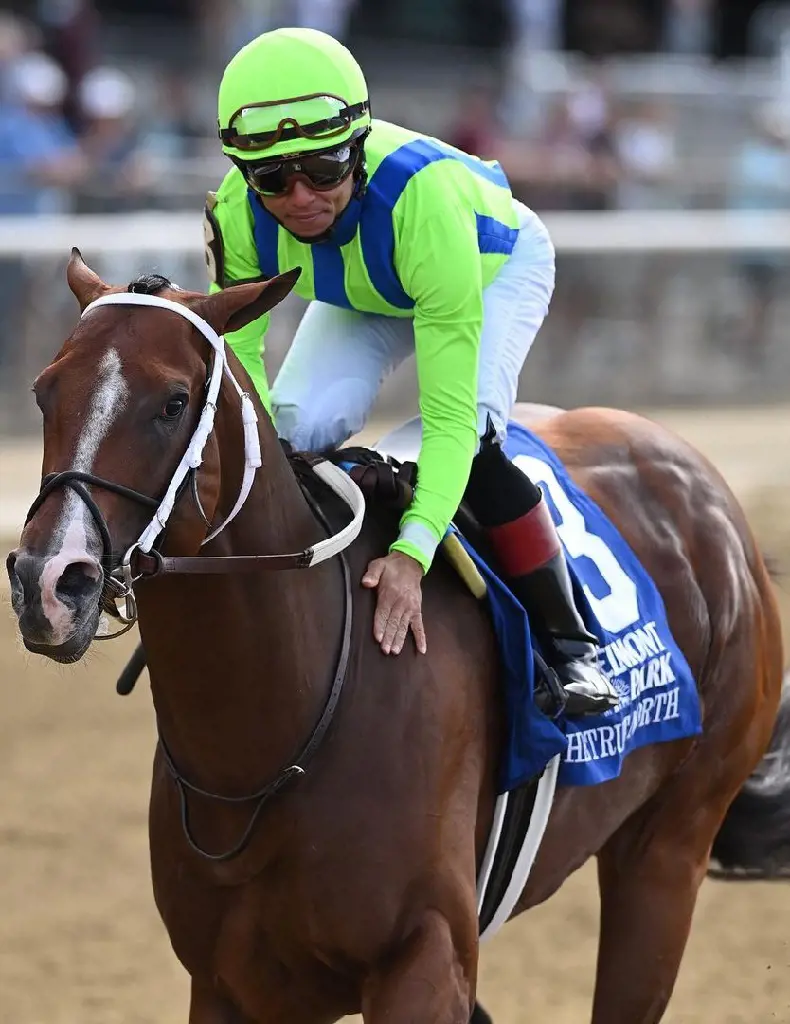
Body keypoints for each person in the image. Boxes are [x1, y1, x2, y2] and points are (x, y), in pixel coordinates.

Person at [205, 27, 618, 715]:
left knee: (464, 437)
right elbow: (241, 378)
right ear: (245, 173)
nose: (301, 195)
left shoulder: (422, 201)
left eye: (325, 168)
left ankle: (571, 643)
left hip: (483, 269)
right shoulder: (234, 211)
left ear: (358, 151)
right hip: (366, 289)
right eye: (273, 178)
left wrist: (411, 555)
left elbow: (450, 419)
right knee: (293, 429)